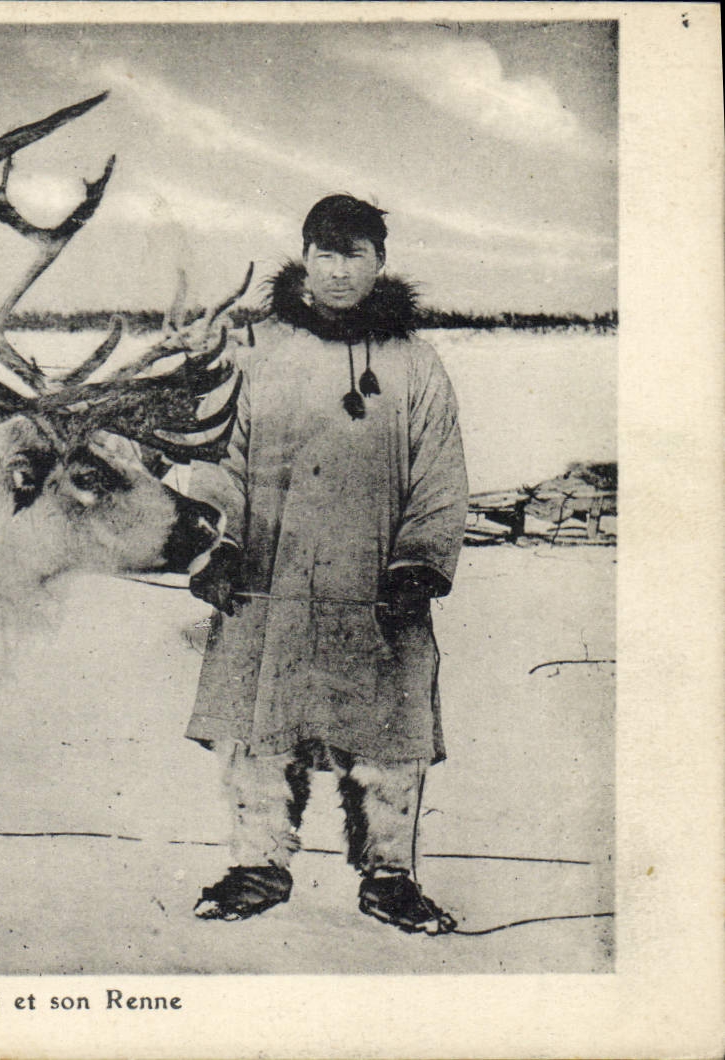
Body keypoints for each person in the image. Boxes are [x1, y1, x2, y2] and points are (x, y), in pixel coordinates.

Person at [183, 193, 468, 934]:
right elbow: (222, 455)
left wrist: (419, 562)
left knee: (391, 732)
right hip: (267, 576)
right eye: (326, 254)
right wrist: (220, 544)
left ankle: (390, 876)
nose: (340, 271)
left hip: (378, 583)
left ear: (380, 262)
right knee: (257, 725)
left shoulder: (416, 363)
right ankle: (256, 864)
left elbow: (439, 470)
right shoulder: (259, 351)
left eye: (356, 255)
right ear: (305, 258)